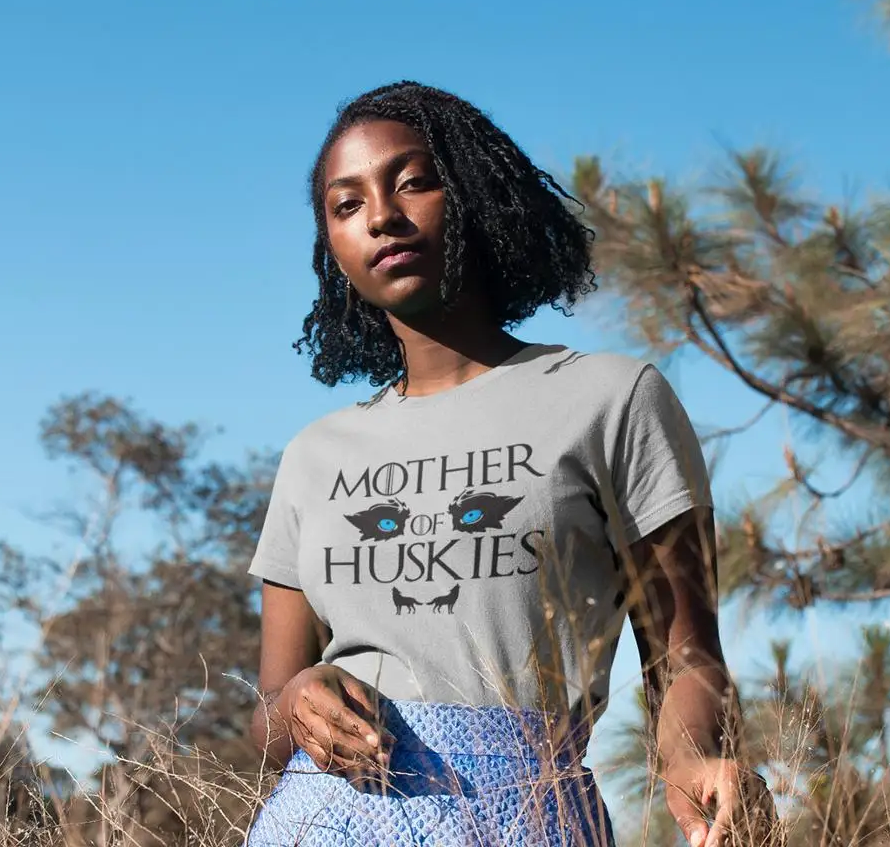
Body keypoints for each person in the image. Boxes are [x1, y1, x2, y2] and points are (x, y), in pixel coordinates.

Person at [246, 82, 773, 847]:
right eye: (347, 204)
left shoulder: (611, 399)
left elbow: (685, 656)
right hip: (319, 819)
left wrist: (694, 762)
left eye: (412, 182)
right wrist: (298, 700)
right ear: (332, 245)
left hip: (524, 814)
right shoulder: (313, 456)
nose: (382, 216)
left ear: (475, 193)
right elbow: (267, 718)